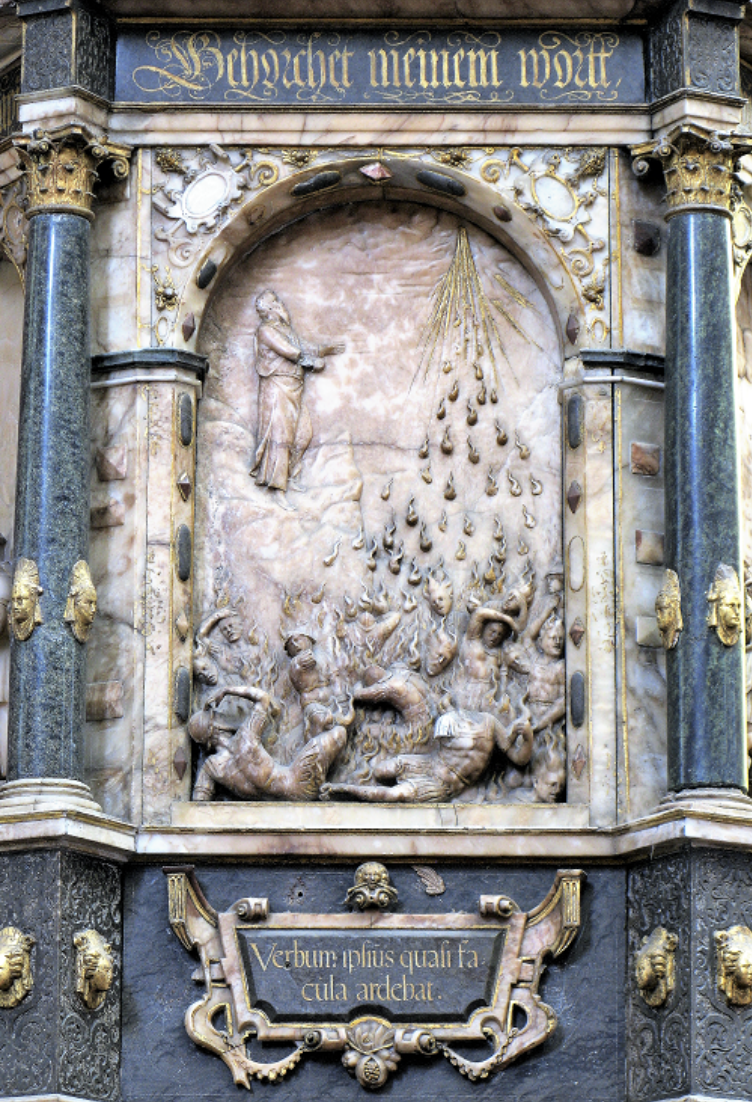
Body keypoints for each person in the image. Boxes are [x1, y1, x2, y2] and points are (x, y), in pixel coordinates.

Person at [250, 290, 344, 491]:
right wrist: (311, 362)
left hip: (294, 388)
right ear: (269, 309)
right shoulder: (265, 331)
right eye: (275, 301)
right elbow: (290, 351)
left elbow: (303, 346)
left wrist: (327, 349)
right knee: (280, 438)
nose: (280, 304)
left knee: (303, 433)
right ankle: (277, 489)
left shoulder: (285, 329)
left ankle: (290, 477)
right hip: (277, 388)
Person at [188, 685, 350, 801]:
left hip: (288, 794)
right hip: (302, 785)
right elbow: (263, 698)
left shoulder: (211, 767)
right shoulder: (244, 738)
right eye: (217, 717)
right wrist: (226, 690)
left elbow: (199, 804)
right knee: (339, 733)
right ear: (215, 725)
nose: (222, 717)